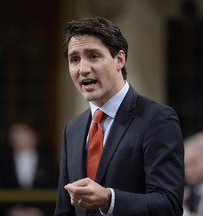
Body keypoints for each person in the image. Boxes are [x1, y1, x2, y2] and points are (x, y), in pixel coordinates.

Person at [54, 17, 184, 216]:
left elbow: (169, 205)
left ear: (119, 60)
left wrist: (109, 199)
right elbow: (64, 211)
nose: (83, 69)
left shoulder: (157, 119)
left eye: (94, 56)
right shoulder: (72, 129)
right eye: (74, 60)